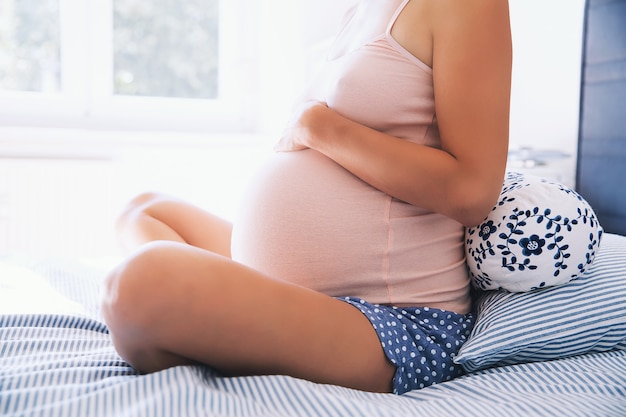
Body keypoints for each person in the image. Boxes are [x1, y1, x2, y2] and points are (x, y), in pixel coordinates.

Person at [101, 0, 512, 395]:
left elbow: (472, 190)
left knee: (140, 286)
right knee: (143, 212)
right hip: (303, 291)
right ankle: (231, 316)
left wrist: (317, 126)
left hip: (392, 321)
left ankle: (207, 321)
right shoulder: (361, 11)